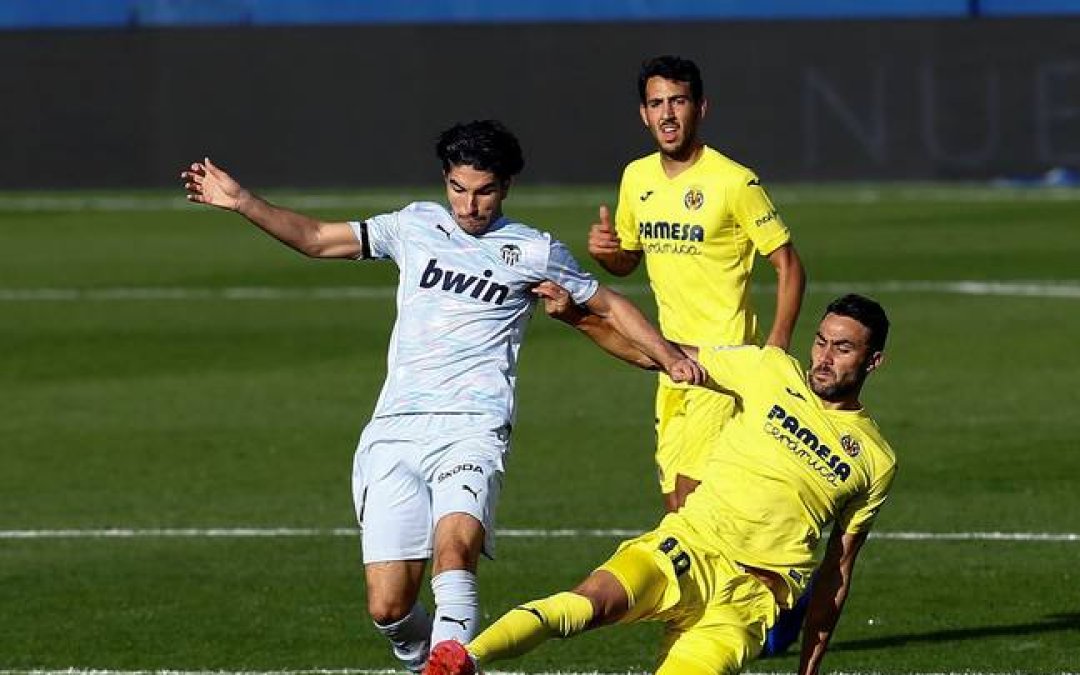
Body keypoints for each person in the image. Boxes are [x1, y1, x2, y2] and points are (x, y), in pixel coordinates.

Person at [179, 120, 704, 672]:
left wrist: (669, 358)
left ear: (505, 188)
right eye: (458, 188)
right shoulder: (414, 225)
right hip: (395, 430)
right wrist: (241, 202)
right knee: (389, 608)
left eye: (483, 191)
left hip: (472, 429)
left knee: (455, 551)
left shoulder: (531, 250)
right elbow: (315, 238)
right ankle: (426, 659)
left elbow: (610, 306)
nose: (469, 204)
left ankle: (455, 663)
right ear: (445, 181)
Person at [424, 293, 897, 675]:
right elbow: (661, 356)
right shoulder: (769, 371)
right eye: (820, 342)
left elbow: (837, 571)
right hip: (686, 547)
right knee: (589, 604)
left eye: (843, 348)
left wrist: (809, 669)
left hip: (747, 601)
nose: (824, 358)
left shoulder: (875, 460)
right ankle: (463, 660)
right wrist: (578, 318)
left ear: (873, 361)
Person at [588, 54, 806, 514]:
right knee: (678, 506)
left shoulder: (734, 181)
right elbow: (628, 261)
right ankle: (768, 584)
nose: (667, 113)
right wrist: (608, 254)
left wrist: (775, 350)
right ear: (643, 114)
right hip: (668, 359)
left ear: (700, 108)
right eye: (656, 103)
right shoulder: (636, 177)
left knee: (691, 506)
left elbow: (788, 264)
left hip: (722, 361)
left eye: (678, 101)